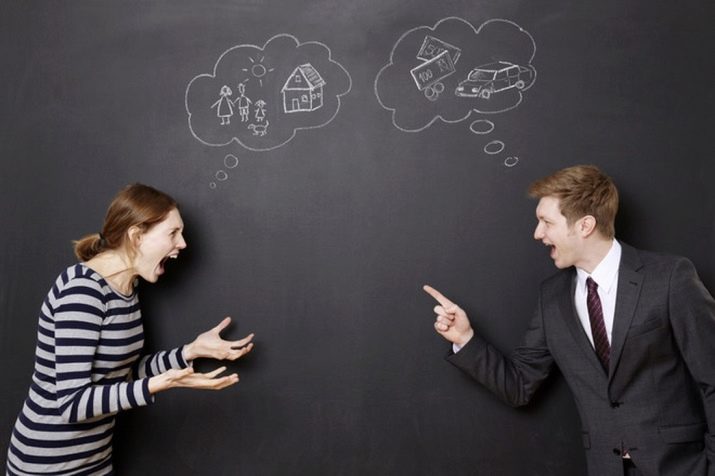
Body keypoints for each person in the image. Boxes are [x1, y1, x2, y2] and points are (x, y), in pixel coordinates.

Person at [424, 165, 715, 476]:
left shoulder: (669, 278)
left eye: (546, 222)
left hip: (682, 468)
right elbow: (519, 385)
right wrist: (464, 338)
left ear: (585, 225)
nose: (537, 234)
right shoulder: (552, 298)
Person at [6, 184, 255, 475]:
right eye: (173, 233)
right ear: (136, 236)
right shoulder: (83, 292)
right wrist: (159, 384)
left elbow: (118, 374)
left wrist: (190, 351)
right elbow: (73, 404)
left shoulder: (126, 289)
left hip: (94, 460)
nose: (183, 243)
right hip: (47, 464)